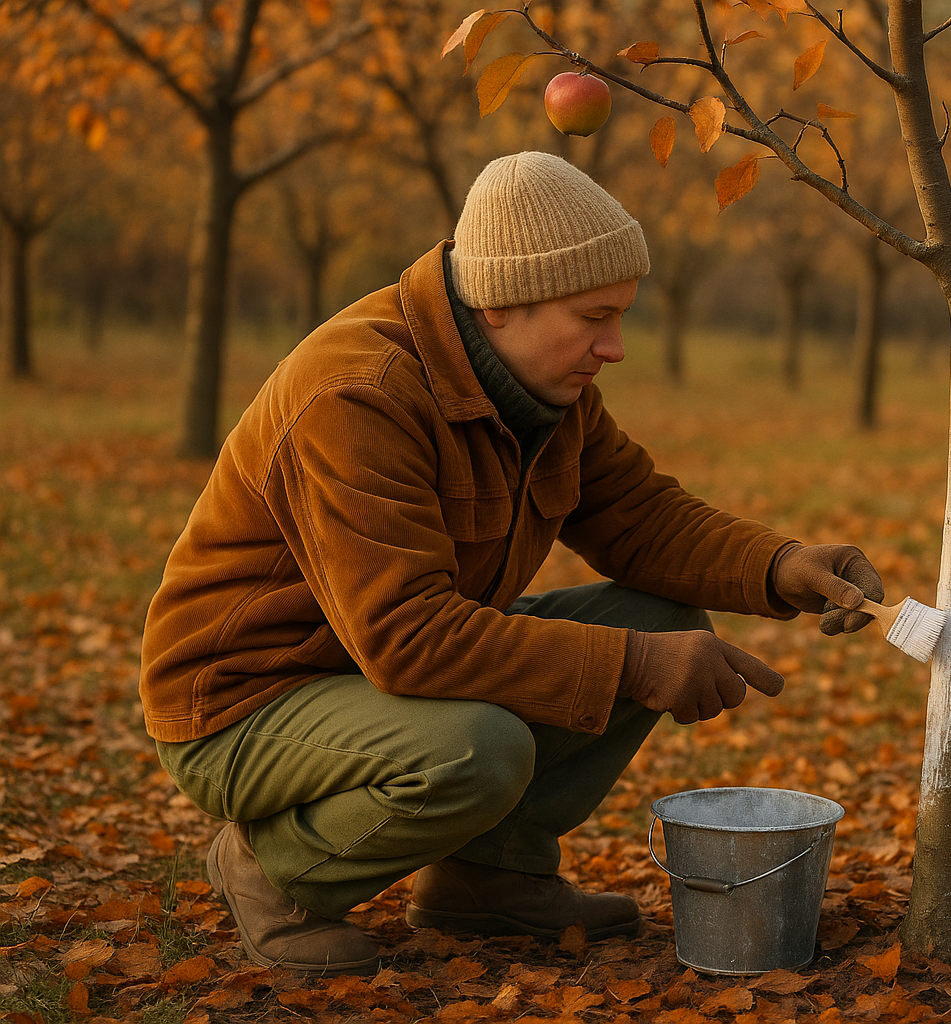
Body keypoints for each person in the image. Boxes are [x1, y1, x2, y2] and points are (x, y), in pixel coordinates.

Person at [138, 151, 885, 977]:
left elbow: (640, 517)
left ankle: (488, 876)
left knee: (659, 619)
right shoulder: (356, 391)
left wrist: (785, 566)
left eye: (623, 315)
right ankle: (271, 867)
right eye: (594, 316)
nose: (616, 346)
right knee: (478, 746)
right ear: (499, 303)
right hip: (247, 701)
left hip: (369, 679)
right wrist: (634, 667)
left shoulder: (541, 389)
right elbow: (407, 637)